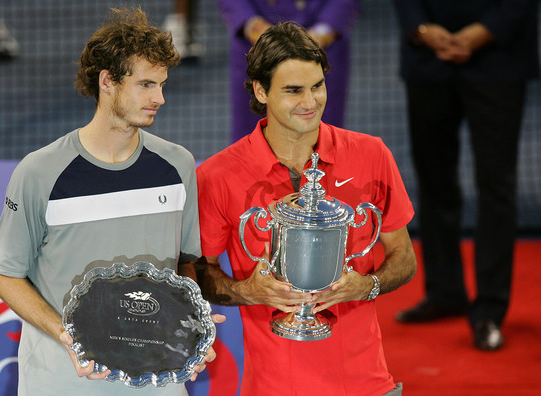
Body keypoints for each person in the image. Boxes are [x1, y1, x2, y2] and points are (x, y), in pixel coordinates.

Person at [0, 7, 223, 395]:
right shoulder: (39, 172)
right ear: (108, 81)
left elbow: (184, 264)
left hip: (154, 379)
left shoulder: (178, 164)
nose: (160, 98)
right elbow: (4, 274)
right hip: (63, 381)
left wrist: (189, 325)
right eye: (146, 85)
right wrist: (66, 335)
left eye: (162, 84)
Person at [196, 21, 417, 396]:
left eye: (317, 86)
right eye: (294, 91)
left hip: (365, 384)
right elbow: (200, 271)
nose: (310, 102)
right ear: (260, 90)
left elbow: (404, 256)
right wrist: (248, 291)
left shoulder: (372, 154)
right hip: (270, 386)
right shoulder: (217, 176)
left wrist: (367, 286)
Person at [392, 1, 539, 351]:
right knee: (433, 179)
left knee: (496, 186)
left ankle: (489, 310)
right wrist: (422, 30)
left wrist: (483, 32)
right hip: (427, 62)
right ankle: (444, 292)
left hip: (499, 60)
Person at [216, 0, 359, 142]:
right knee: (251, 141)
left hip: (325, 49)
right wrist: (258, 29)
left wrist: (319, 35)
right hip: (254, 48)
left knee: (323, 139)